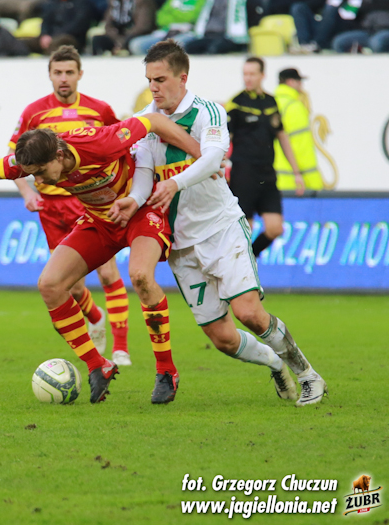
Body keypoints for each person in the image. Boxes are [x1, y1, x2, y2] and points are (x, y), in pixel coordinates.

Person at [121, 40, 327, 406]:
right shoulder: (144, 121)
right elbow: (142, 175)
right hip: (181, 244)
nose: (153, 87)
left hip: (221, 227)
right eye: (149, 79)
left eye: (161, 79)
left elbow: (213, 158)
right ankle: (274, 363)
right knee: (224, 340)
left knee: (249, 313)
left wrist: (174, 182)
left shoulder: (209, 111)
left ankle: (308, 374)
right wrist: (133, 201)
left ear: (182, 78)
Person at [0, 114, 200, 404]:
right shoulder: (35, 157)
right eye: (33, 176)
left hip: (141, 212)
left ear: (60, 155)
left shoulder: (99, 143)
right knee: (50, 285)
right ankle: (98, 365)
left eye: (41, 172)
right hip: (100, 221)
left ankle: (166, 370)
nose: (39, 181)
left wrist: (201, 156)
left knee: (140, 276)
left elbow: (153, 120)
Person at [10, 45, 133, 367]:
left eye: (69, 72)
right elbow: (14, 158)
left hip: (88, 200)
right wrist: (26, 193)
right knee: (73, 287)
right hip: (50, 208)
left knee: (107, 271)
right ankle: (96, 318)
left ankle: (120, 349)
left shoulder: (99, 109)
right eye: (57, 72)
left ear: (80, 74)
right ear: (50, 75)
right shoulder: (34, 113)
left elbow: (120, 146)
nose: (63, 78)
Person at [225, 57, 304, 258]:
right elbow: (225, 140)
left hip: (267, 173)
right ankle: (240, 269)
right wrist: (219, 166)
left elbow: (282, 136)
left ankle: (250, 257)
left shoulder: (271, 102)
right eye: (245, 74)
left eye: (252, 74)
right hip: (244, 173)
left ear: (262, 75)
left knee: (276, 228)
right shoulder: (236, 103)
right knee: (244, 230)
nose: (248, 78)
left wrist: (297, 172)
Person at [273, 68, 323, 192]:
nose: (302, 85)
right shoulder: (294, 106)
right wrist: (313, 182)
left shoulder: (271, 103)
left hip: (275, 180)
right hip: (294, 183)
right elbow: (301, 147)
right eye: (299, 81)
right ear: (291, 82)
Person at [291, 0, 362, 53]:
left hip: (339, 31)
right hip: (323, 28)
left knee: (331, 10)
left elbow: (347, 18)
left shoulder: (358, 0)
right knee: (299, 8)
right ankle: (304, 44)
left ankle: (317, 44)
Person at [92, 0, 156, 55]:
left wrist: (124, 40)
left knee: (132, 43)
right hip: (119, 36)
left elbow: (143, 26)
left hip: (136, 35)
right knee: (98, 40)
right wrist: (118, 40)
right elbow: (108, 26)